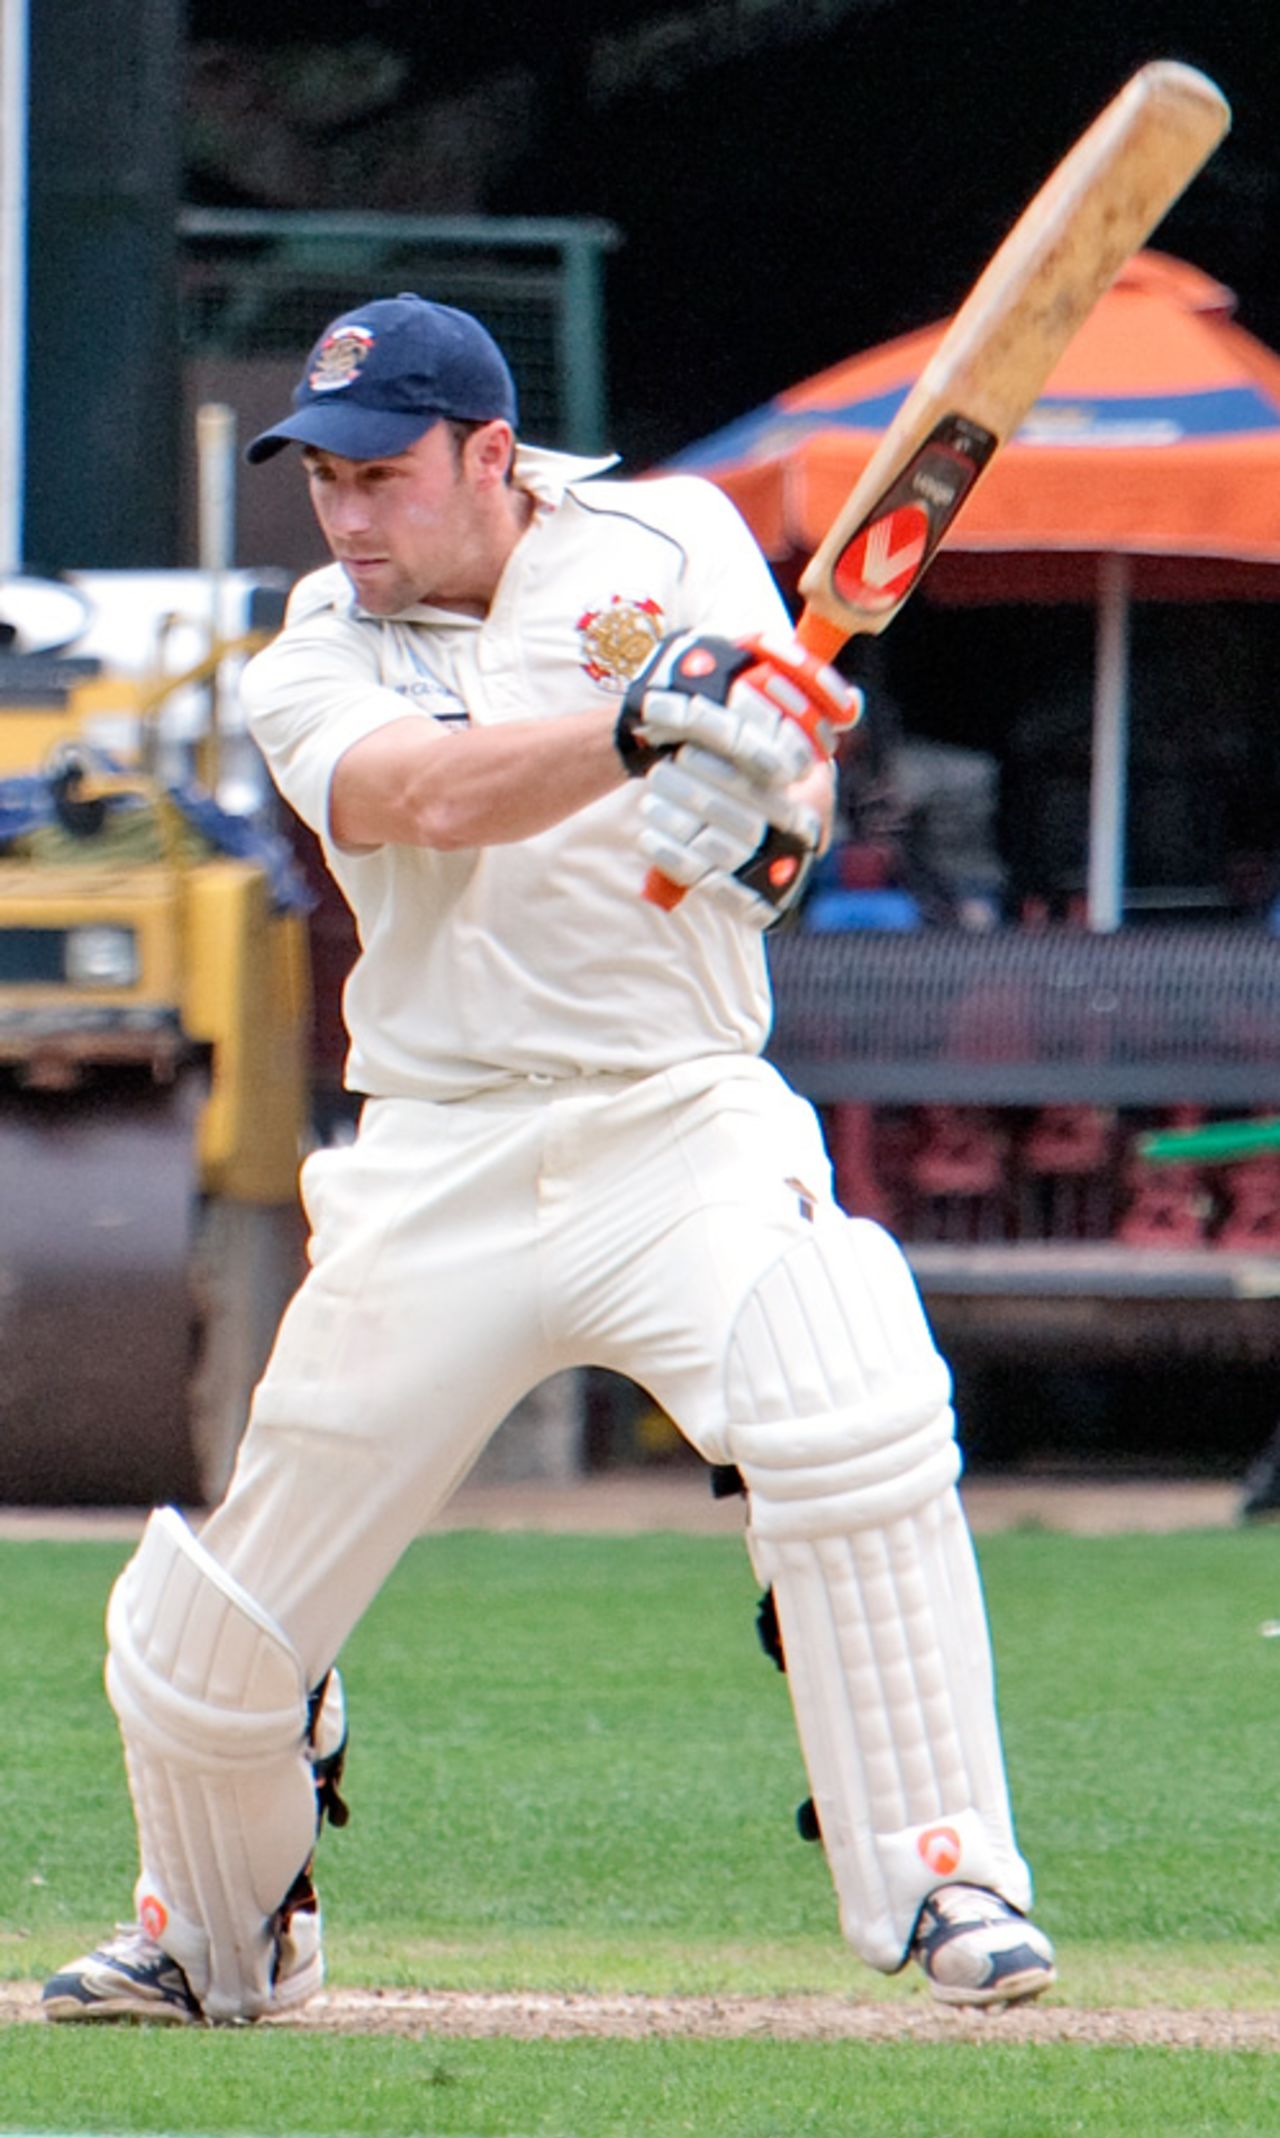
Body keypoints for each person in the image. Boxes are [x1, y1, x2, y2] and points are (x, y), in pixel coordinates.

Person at [43, 293, 1054, 2025]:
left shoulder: (678, 540)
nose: (346, 518)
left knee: (845, 1383)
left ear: (492, 455)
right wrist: (644, 726)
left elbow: (770, 823)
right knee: (210, 1636)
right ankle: (214, 1939)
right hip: (436, 1156)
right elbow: (428, 801)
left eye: (382, 477)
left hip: (677, 1112)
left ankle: (946, 1872)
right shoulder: (312, 650)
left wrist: (756, 800)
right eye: (323, 481)